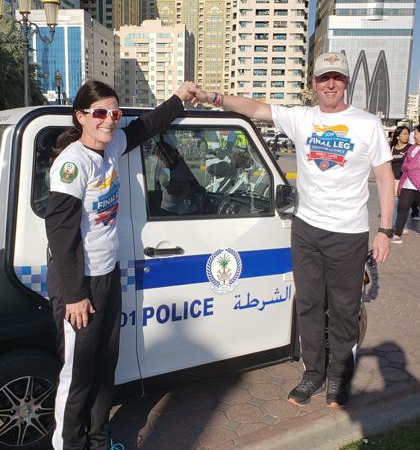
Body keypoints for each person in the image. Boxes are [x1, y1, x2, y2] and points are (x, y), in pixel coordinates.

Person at [192, 52, 394, 408]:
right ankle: (313, 374)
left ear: (346, 82)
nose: (330, 84)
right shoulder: (302, 118)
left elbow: (384, 178)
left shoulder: (367, 124)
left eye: (337, 77)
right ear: (313, 83)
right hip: (306, 230)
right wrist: (212, 98)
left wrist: (385, 230)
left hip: (348, 234)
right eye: (323, 78)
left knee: (344, 309)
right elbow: (255, 109)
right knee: (310, 305)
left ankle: (339, 378)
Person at [45, 79, 198, 450]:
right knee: (78, 374)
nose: (110, 120)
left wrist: (179, 98)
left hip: (106, 274)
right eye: (100, 113)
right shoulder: (71, 164)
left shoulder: (112, 144)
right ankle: (69, 444)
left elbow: (147, 126)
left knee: (104, 367)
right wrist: (75, 296)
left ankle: (99, 439)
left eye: (114, 113)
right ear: (81, 116)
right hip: (77, 284)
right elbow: (61, 236)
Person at [392, 124, 420, 243]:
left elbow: (415, 165)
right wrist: (408, 166)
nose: (414, 136)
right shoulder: (412, 148)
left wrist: (409, 166)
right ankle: (397, 234)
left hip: (418, 184)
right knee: (402, 208)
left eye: (416, 133)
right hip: (408, 184)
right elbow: (405, 164)